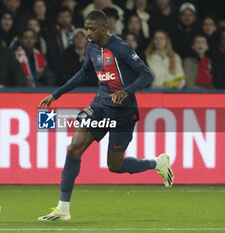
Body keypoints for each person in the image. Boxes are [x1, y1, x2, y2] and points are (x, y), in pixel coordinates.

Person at [37, 9, 174, 221]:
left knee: (114, 166)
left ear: (104, 27)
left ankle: (157, 164)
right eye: (86, 28)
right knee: (74, 148)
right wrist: (56, 94)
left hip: (123, 113)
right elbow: (84, 73)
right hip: (100, 107)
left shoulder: (121, 48)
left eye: (92, 29)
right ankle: (63, 209)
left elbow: (147, 74)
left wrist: (125, 91)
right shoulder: (91, 48)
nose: (88, 33)